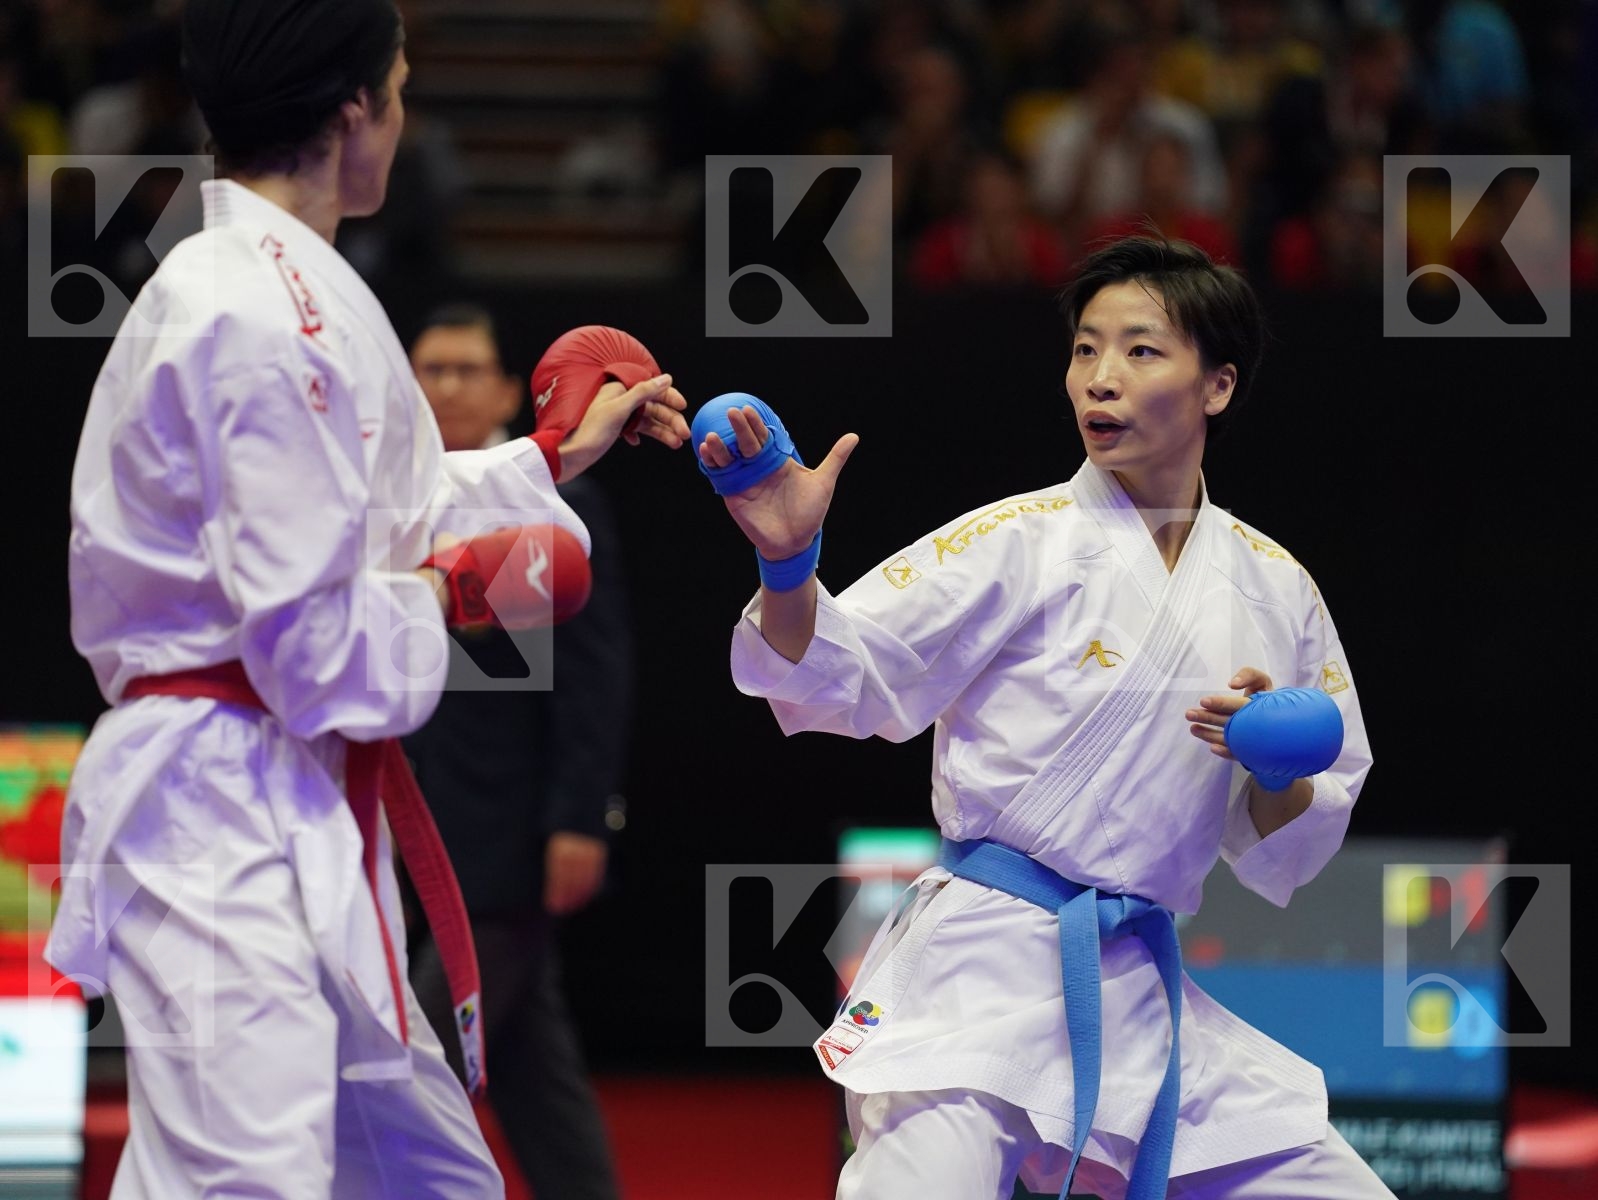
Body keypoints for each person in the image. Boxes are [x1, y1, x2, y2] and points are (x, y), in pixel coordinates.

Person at [45, 2, 688, 1196]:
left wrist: (544, 462)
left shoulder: (289, 287)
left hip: (288, 807)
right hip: (220, 810)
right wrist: (452, 592)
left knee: (430, 1178)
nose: (403, 111)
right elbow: (313, 643)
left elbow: (370, 513)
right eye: (398, 84)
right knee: (245, 1183)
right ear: (354, 110)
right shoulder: (247, 311)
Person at [695, 234, 1391, 1199]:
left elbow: (1290, 847)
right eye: (1084, 349)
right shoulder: (1015, 541)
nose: (1100, 379)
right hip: (979, 971)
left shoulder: (1278, 589)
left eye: (1141, 351)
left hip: (1135, 989)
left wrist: (1277, 771)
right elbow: (829, 679)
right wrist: (787, 567)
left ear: (1218, 385)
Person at [403, 303, 626, 1200]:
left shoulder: (562, 502)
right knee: (533, 1063)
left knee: (416, 1062)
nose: (447, 386)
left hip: (506, 835)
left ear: (505, 389)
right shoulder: (397, 499)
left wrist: (581, 816)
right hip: (408, 826)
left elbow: (596, 674)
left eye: (467, 370)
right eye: (431, 370)